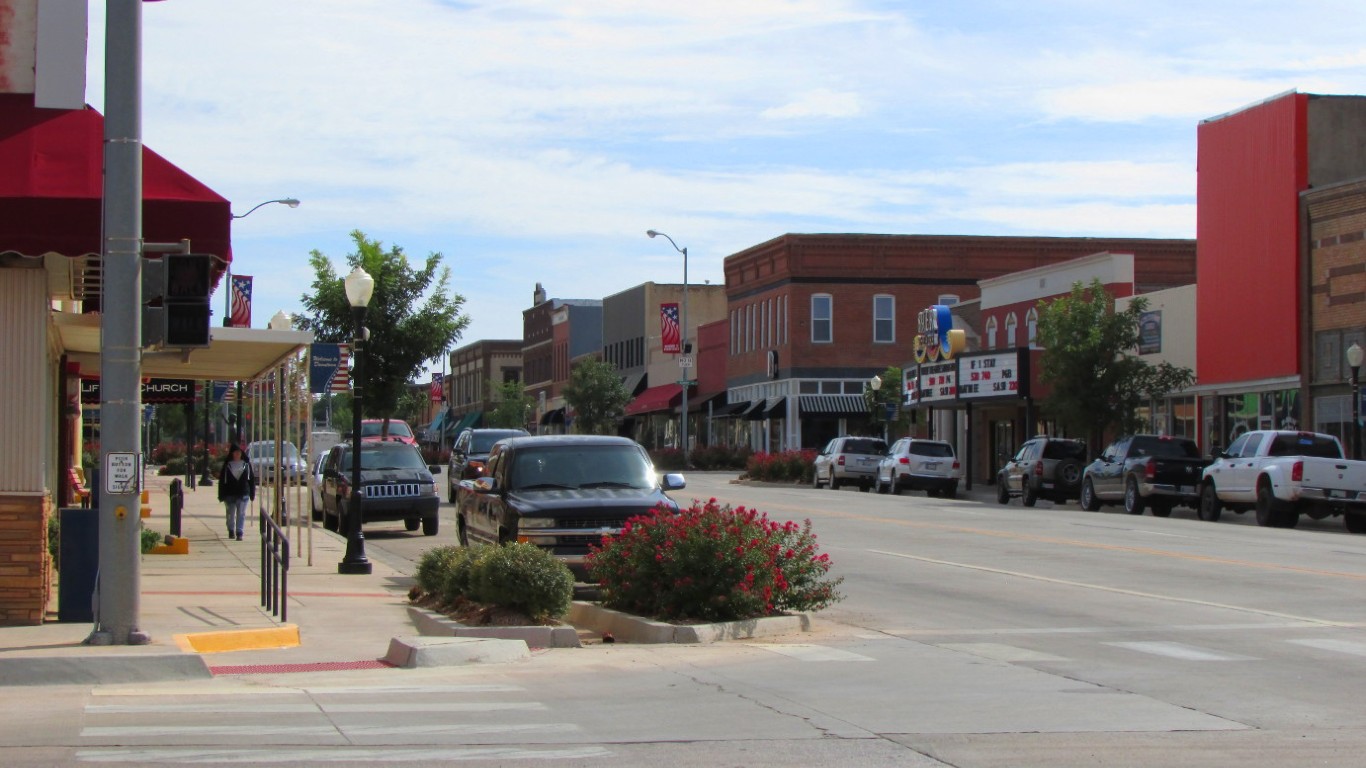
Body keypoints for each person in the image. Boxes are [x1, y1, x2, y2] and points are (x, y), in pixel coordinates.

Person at [217, 444, 256, 541]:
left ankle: (239, 532)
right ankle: (231, 529)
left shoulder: (246, 464)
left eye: (239, 452)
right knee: (231, 513)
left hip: (243, 492)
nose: (238, 454)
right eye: (236, 452)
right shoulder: (227, 466)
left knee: (241, 513)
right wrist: (221, 495)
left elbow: (251, 480)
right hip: (229, 493)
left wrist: (252, 493)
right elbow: (222, 481)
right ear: (232, 453)